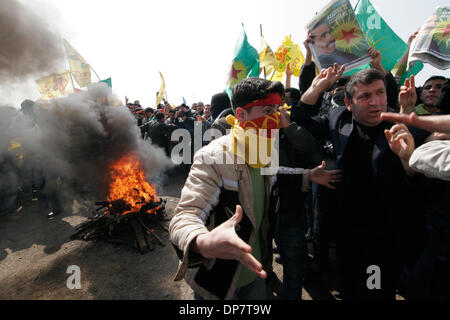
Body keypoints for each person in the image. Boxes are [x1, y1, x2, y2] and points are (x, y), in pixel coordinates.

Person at [169, 77, 320, 300]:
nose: (276, 118)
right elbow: (185, 216)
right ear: (240, 115)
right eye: (267, 110)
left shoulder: (263, 148)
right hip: (218, 283)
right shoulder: (213, 157)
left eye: (278, 109)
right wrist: (203, 241)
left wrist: (309, 176)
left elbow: (273, 174)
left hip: (256, 272)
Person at [292, 65, 429, 300]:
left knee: (374, 291)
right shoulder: (338, 119)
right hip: (345, 229)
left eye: (380, 93)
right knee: (352, 287)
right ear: (349, 103)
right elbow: (301, 121)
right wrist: (315, 89)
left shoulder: (405, 129)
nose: (375, 102)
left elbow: (419, 185)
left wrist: (408, 160)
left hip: (383, 235)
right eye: (365, 96)